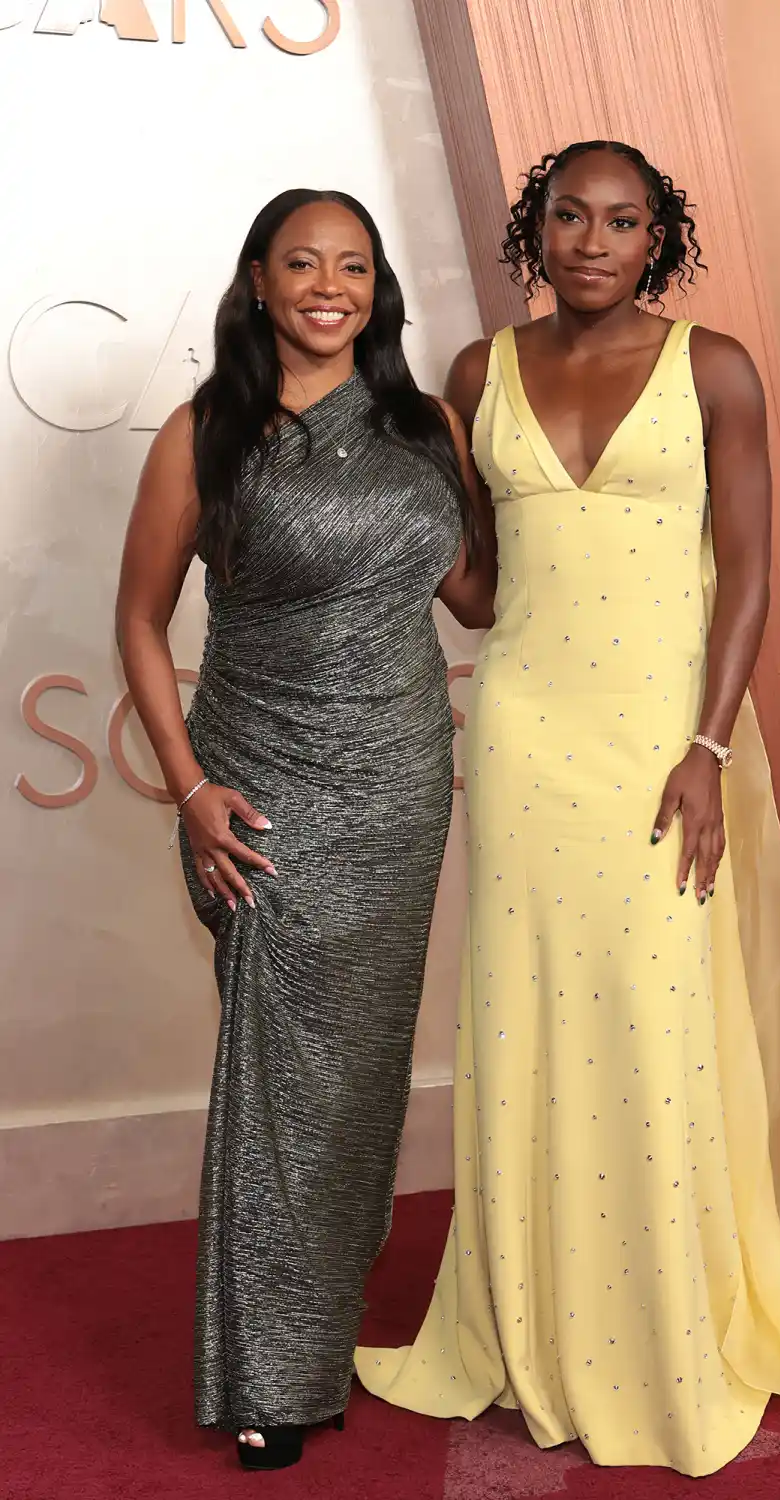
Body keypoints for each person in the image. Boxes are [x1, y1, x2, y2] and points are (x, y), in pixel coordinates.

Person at [355, 140, 780, 1475]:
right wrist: (398, 511)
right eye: (571, 217)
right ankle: (537, 1319)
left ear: (660, 239)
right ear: (535, 231)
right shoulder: (480, 374)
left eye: (625, 220)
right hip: (530, 737)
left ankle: (666, 1320)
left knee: (657, 1017)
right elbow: (477, 591)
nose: (595, 240)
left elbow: (749, 571)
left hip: (664, 737)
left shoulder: (715, 368)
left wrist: (708, 741)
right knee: (535, 1012)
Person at [115, 188, 495, 1470]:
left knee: (360, 1077)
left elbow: (478, 596)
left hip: (394, 787)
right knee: (278, 1078)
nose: (328, 283)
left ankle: (316, 1336)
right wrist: (188, 787)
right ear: (260, 282)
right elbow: (138, 624)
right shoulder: (205, 431)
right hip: (256, 792)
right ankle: (268, 1376)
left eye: (353, 264)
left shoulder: (424, 426)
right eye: (302, 263)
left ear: (377, 286)